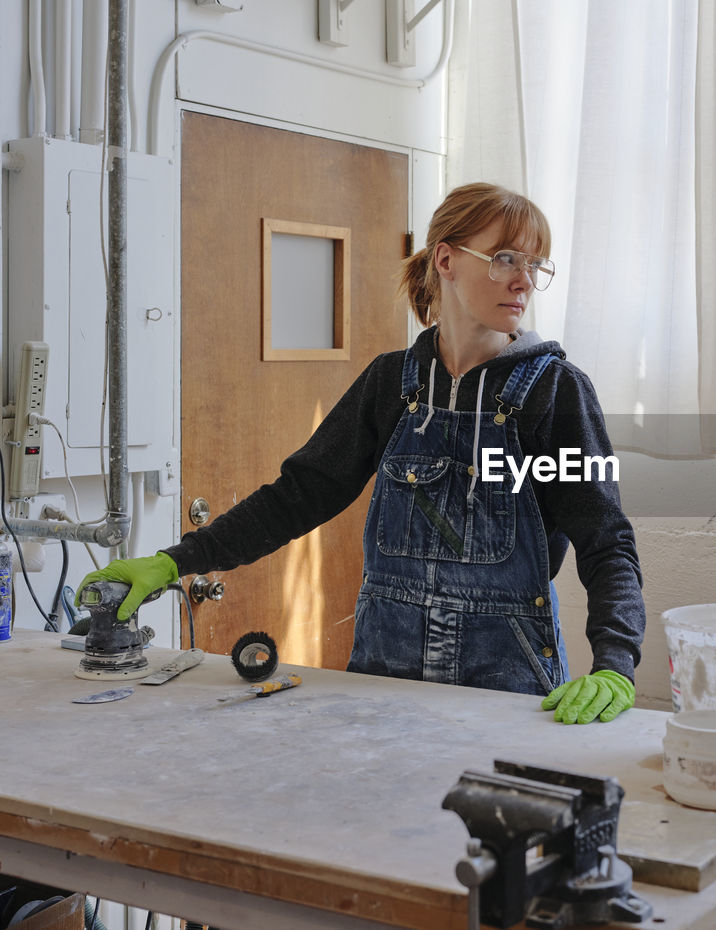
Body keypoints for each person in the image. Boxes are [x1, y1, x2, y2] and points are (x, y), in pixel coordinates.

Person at [77, 182, 644, 724]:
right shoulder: (389, 384)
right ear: (445, 261)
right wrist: (177, 560)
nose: (524, 280)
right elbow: (297, 497)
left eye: (535, 264)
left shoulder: (555, 392)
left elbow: (605, 540)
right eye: (504, 259)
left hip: (509, 684)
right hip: (383, 678)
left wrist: (616, 663)